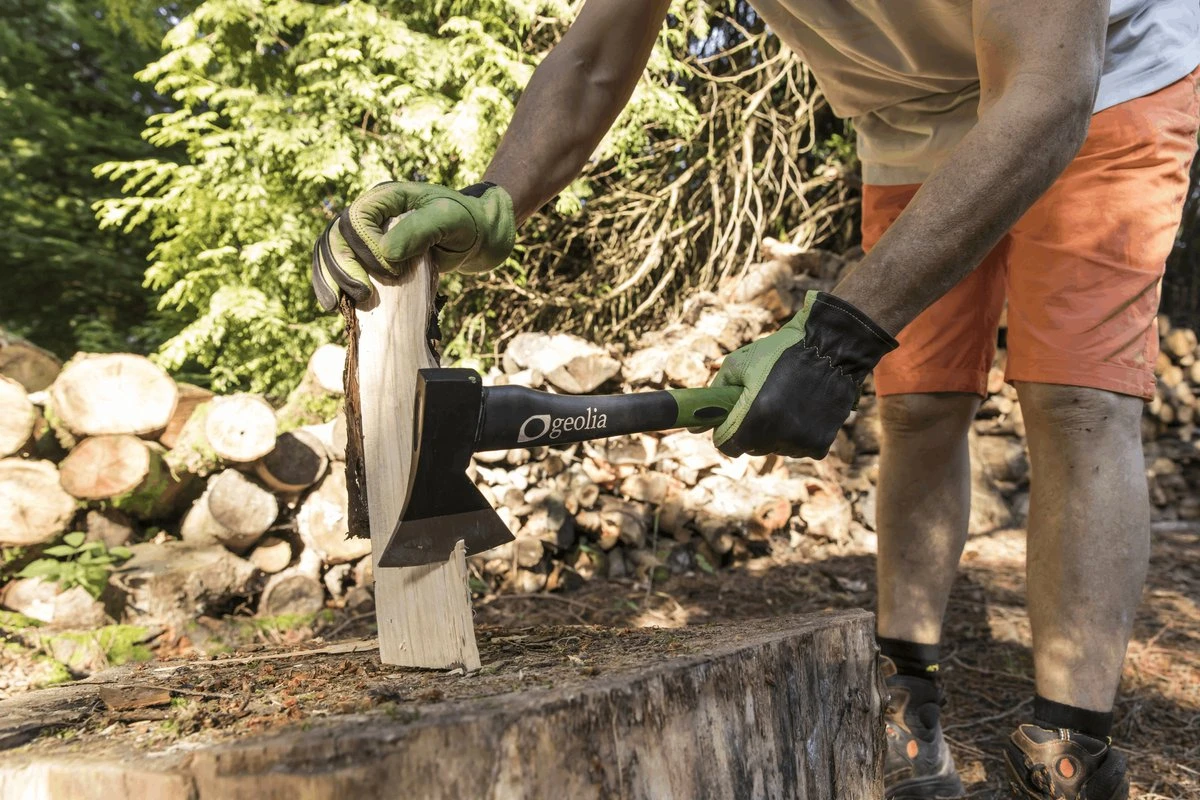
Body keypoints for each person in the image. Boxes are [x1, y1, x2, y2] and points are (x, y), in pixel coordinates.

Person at [311, 2, 1200, 797]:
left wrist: (837, 337)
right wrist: (497, 196)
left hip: (1100, 75)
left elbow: (1046, 92)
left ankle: (1071, 746)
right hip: (906, 118)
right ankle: (908, 687)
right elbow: (592, 58)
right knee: (920, 403)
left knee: (1075, 400)